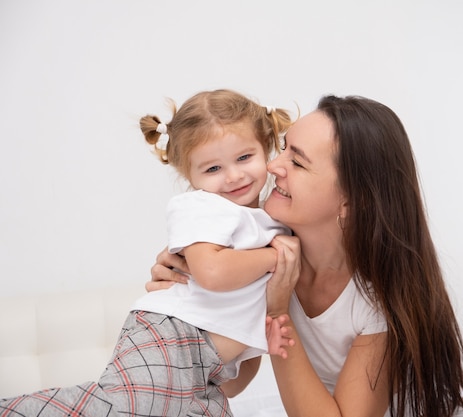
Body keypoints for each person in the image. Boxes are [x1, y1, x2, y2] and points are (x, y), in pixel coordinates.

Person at [149, 94, 463, 416]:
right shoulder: (257, 255)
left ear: (350, 201)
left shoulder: (376, 300)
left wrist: (279, 311)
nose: (273, 165)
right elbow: (232, 385)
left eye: (296, 161)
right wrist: (190, 292)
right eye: (282, 148)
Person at [0, 89, 295, 417]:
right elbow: (212, 273)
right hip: (172, 335)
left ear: (267, 147)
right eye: (213, 169)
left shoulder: (274, 225)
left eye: (244, 158)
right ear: (189, 175)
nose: (234, 175)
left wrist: (258, 344)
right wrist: (275, 258)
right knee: (119, 409)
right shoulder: (201, 207)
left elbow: (233, 385)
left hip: (207, 366)